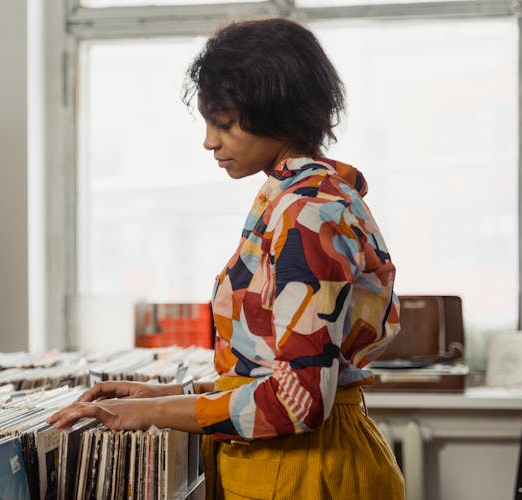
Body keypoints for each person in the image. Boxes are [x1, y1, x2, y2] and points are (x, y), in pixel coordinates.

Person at [48, 17, 405, 499]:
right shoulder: (297, 197)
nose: (209, 141)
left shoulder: (307, 214)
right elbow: (266, 372)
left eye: (225, 123)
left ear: (276, 110)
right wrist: (171, 395)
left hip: (305, 471)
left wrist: (151, 413)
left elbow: (296, 403)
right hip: (289, 466)